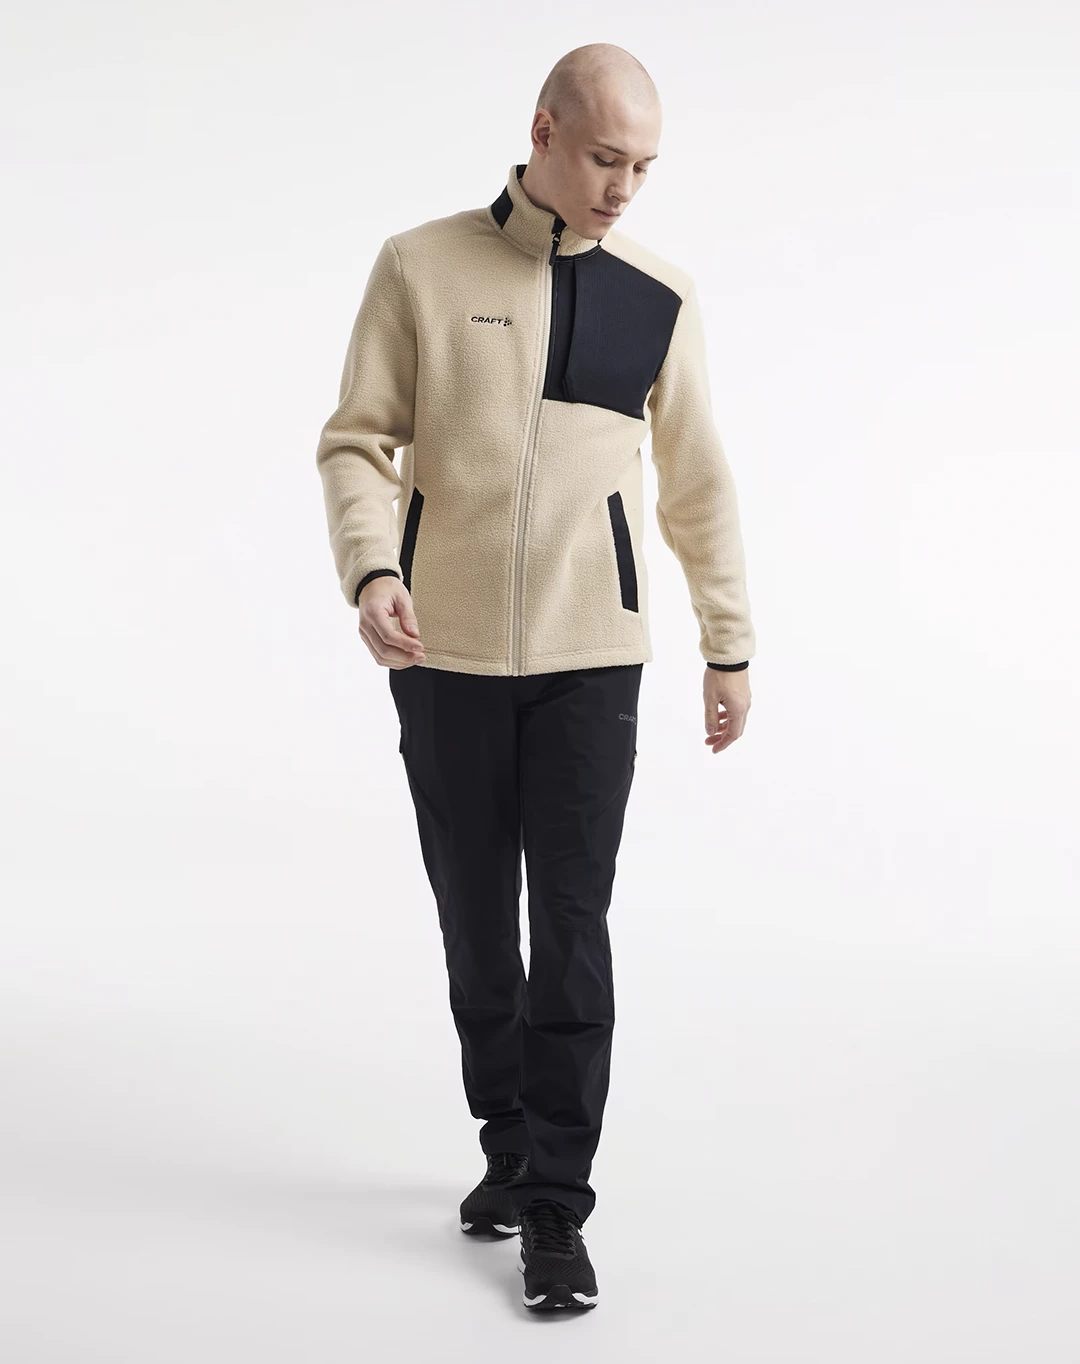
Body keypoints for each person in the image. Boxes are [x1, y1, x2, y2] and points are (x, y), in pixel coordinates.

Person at [314, 42, 756, 1313]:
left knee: (569, 924)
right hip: (441, 654)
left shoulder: (656, 297)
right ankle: (507, 1141)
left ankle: (557, 1201)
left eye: (645, 167)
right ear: (545, 132)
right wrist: (371, 570)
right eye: (607, 157)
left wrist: (728, 642)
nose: (625, 188)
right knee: (474, 918)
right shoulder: (422, 266)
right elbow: (356, 442)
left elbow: (698, 484)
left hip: (590, 661)